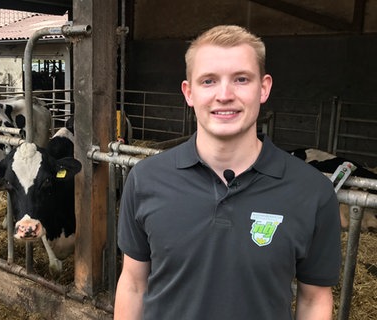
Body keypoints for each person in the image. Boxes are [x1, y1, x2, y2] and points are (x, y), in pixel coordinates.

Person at [114, 25, 341, 320]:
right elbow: (133, 283)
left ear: (264, 88)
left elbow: (315, 299)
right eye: (208, 81)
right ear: (189, 92)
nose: (224, 95)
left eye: (241, 79)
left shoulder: (312, 192)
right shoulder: (145, 179)